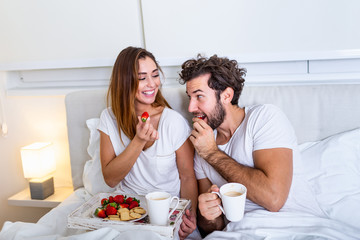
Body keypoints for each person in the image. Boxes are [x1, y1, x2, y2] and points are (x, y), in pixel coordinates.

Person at [178, 55, 325, 236]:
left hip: (294, 227)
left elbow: (274, 198)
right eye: (189, 97)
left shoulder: (264, 118)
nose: (191, 108)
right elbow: (211, 228)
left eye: (199, 96)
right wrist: (209, 215)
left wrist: (212, 153)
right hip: (239, 232)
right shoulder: (201, 147)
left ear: (226, 95)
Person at [98, 46, 197, 239]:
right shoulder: (109, 118)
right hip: (126, 210)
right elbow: (110, 179)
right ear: (125, 82)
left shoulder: (172, 122)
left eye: (154, 75)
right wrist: (138, 141)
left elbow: (187, 177)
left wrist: (188, 217)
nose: (152, 84)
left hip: (165, 212)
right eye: (142, 78)